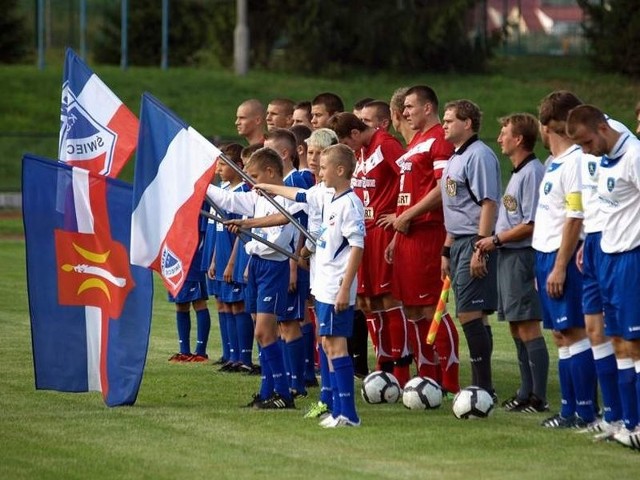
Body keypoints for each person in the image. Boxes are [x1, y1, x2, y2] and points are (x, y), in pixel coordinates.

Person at [256, 144, 365, 427]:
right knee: (328, 344)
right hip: (323, 283)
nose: (320, 170)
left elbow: (357, 247)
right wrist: (269, 187)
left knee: (337, 345)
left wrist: (344, 288)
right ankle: (338, 410)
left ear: (340, 171)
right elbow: (299, 195)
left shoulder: (350, 204)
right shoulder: (329, 196)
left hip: (336, 286)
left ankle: (348, 414)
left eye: (325, 166)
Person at [566, 104, 640, 448]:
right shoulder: (606, 156)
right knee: (619, 343)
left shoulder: (634, 155)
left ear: (603, 128)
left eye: (585, 143)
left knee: (636, 344)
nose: (584, 151)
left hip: (631, 260)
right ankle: (626, 423)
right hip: (607, 257)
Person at [206, 147, 302, 409]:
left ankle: (284, 393)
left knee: (264, 331)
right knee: (263, 334)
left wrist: (248, 224)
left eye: (254, 175)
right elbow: (227, 200)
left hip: (274, 268)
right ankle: (266, 391)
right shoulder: (257, 196)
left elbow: (282, 223)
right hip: (257, 265)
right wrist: (199, 183)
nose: (250, 182)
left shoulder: (288, 197)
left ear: (270, 172)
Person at [384, 85, 460, 394]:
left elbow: (444, 189)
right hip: (407, 235)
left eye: (411, 107)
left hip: (428, 232)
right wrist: (397, 234)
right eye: (403, 108)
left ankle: (451, 379)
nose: (405, 113)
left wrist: (409, 215)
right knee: (412, 309)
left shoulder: (439, 140)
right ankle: (427, 375)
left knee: (431, 307)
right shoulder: (415, 141)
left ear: (428, 108)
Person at [475, 114, 549, 412]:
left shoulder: (533, 172)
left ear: (519, 139)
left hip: (522, 256)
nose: (500, 137)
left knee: (528, 325)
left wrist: (496, 239)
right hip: (508, 256)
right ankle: (525, 390)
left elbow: (532, 223)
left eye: (504, 132)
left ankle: (538, 397)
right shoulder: (518, 173)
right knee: (516, 327)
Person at [532, 91, 596, 429]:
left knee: (574, 333)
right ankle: (569, 409)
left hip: (564, 258)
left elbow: (575, 216)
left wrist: (559, 264)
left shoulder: (575, 161)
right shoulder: (553, 164)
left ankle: (585, 411)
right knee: (560, 335)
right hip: (545, 257)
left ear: (547, 126)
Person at [328, 112, 406, 384]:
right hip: (365, 232)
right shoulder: (361, 152)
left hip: (384, 230)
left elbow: (408, 179)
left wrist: (401, 215)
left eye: (346, 143)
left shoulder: (386, 144)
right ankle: (383, 363)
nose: (347, 150)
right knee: (368, 302)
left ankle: (401, 366)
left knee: (388, 300)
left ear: (355, 133)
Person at [440, 99, 501, 399]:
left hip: (475, 240)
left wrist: (481, 246)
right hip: (460, 241)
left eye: (450, 120)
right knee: (475, 314)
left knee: (469, 313)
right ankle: (483, 384)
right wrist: (446, 249)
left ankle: (483, 386)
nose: (444, 125)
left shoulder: (479, 156)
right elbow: (456, 207)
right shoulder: (455, 157)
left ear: (468, 123)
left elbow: (488, 202)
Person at [264, 128, 313, 397]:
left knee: (291, 320)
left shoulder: (296, 180)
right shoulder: (285, 180)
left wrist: (294, 263)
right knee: (283, 321)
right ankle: (292, 376)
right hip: (285, 259)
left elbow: (297, 224)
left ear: (284, 153)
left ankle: (298, 380)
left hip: (294, 260)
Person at [207, 144, 256, 373]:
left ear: (238, 167)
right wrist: (216, 260)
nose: (218, 169)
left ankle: (243, 357)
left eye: (223, 164)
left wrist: (231, 262)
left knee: (239, 305)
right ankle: (231, 355)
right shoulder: (224, 191)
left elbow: (241, 232)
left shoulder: (240, 195)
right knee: (225, 304)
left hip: (236, 257)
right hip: (222, 254)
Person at [168, 203, 212, 363]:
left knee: (198, 302)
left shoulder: (197, 196)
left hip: (192, 258)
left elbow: (203, 232)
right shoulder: (173, 196)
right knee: (180, 303)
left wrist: (197, 255)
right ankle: (184, 351)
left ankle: (201, 351)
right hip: (175, 257)